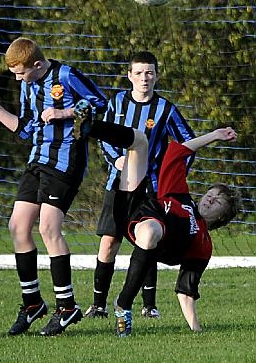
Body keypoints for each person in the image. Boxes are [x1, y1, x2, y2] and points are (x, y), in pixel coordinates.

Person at [0, 37, 107, 336]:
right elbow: (25, 130)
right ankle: (32, 303)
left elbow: (101, 103)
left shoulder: (65, 75)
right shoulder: (27, 85)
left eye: (21, 73)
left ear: (37, 64)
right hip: (37, 160)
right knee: (18, 227)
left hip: (65, 161)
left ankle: (67, 306)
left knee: (48, 228)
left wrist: (66, 112)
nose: (18, 78)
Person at [73, 109, 239, 337]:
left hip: (150, 233)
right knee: (140, 140)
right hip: (134, 209)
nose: (211, 198)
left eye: (218, 200)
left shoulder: (203, 242)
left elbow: (186, 290)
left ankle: (123, 304)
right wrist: (215, 134)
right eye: (211, 193)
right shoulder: (182, 196)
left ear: (222, 217)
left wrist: (197, 330)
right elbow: (178, 152)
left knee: (151, 231)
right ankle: (90, 126)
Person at [85, 51, 195, 319]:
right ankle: (98, 306)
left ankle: (149, 305)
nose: (144, 78)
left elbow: (187, 144)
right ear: (129, 76)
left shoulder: (165, 109)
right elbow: (104, 137)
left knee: (146, 240)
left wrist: (174, 176)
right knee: (109, 242)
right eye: (139, 73)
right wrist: (117, 159)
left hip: (151, 189)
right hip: (119, 185)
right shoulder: (118, 102)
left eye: (149, 73)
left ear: (157, 75)